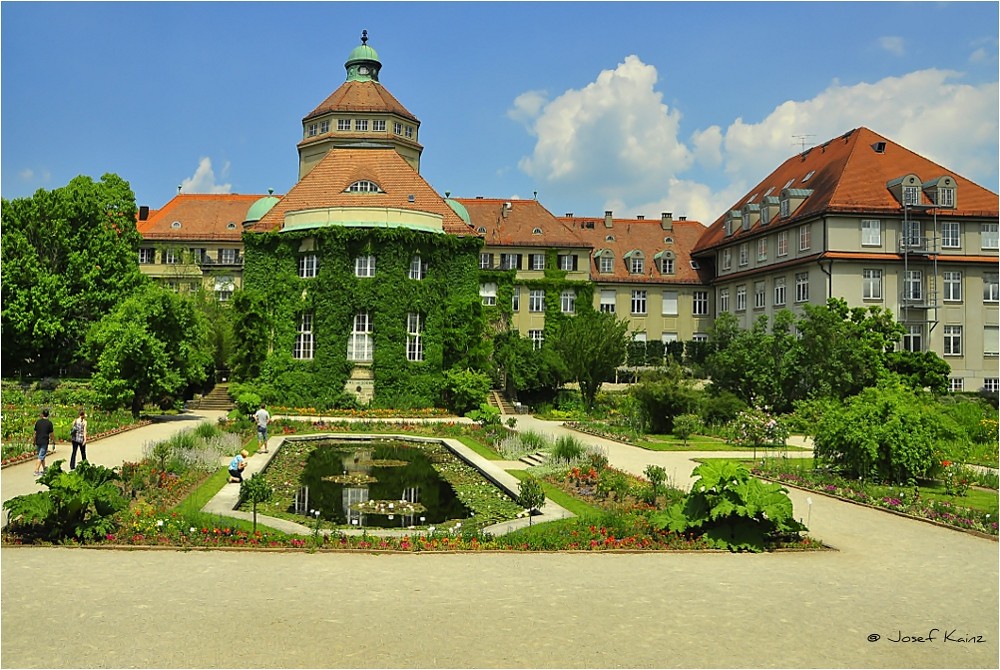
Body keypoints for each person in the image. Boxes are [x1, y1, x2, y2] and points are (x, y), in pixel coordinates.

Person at [33, 408, 55, 477]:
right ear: (48, 415)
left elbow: (35, 433)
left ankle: (44, 468)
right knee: (41, 456)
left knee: (41, 455)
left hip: (38, 441)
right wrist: (53, 441)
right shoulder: (49, 423)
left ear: (42, 414)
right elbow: (51, 434)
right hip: (44, 442)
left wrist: (34, 441)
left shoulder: (38, 422)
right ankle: (36, 470)